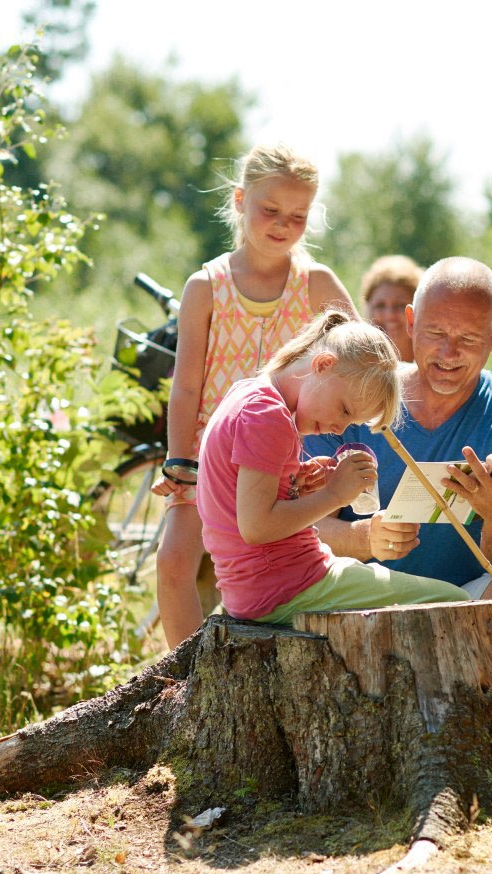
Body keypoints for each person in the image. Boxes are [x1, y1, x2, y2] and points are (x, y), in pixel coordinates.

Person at [149, 143, 355, 650]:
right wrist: (179, 458)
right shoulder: (207, 285)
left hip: (282, 458)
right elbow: (188, 384)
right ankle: (184, 682)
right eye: (270, 210)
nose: (283, 224)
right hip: (211, 455)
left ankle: (257, 668)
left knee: (270, 569)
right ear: (240, 200)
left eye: (298, 215)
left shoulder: (316, 284)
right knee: (175, 561)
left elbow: (360, 359)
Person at [305, 257, 492, 597]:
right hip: (357, 592)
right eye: (435, 333)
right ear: (410, 322)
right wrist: (365, 537)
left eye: (468, 338)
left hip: (466, 597)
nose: (448, 352)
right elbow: (304, 528)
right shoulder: (352, 396)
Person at [198, 312, 467, 624]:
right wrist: (336, 495)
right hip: (283, 588)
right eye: (345, 409)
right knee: (455, 602)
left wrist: (296, 486)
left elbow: (243, 503)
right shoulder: (268, 415)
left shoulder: (249, 396)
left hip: (267, 585)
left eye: (350, 422)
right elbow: (257, 527)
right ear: (323, 365)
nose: (340, 428)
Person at [359, 254, 422, 363]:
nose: (390, 315)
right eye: (380, 305)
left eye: (400, 306)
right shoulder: (352, 365)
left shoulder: (435, 366)